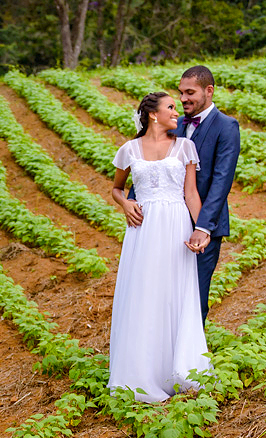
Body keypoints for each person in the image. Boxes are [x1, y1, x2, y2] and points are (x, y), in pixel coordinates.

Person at [107, 91, 211, 403]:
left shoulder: (185, 147)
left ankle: (177, 369)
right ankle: (140, 373)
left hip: (175, 226)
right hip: (143, 230)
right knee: (144, 294)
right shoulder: (128, 150)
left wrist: (201, 230)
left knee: (174, 295)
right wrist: (125, 203)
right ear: (154, 114)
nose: (176, 112)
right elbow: (115, 188)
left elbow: (191, 194)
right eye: (170, 107)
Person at [176, 65, 240, 322]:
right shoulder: (176, 123)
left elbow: (222, 181)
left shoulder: (227, 126)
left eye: (190, 92)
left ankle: (193, 358)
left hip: (205, 226)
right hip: (170, 220)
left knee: (196, 295)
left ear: (209, 91)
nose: (183, 99)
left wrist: (203, 226)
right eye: (180, 93)